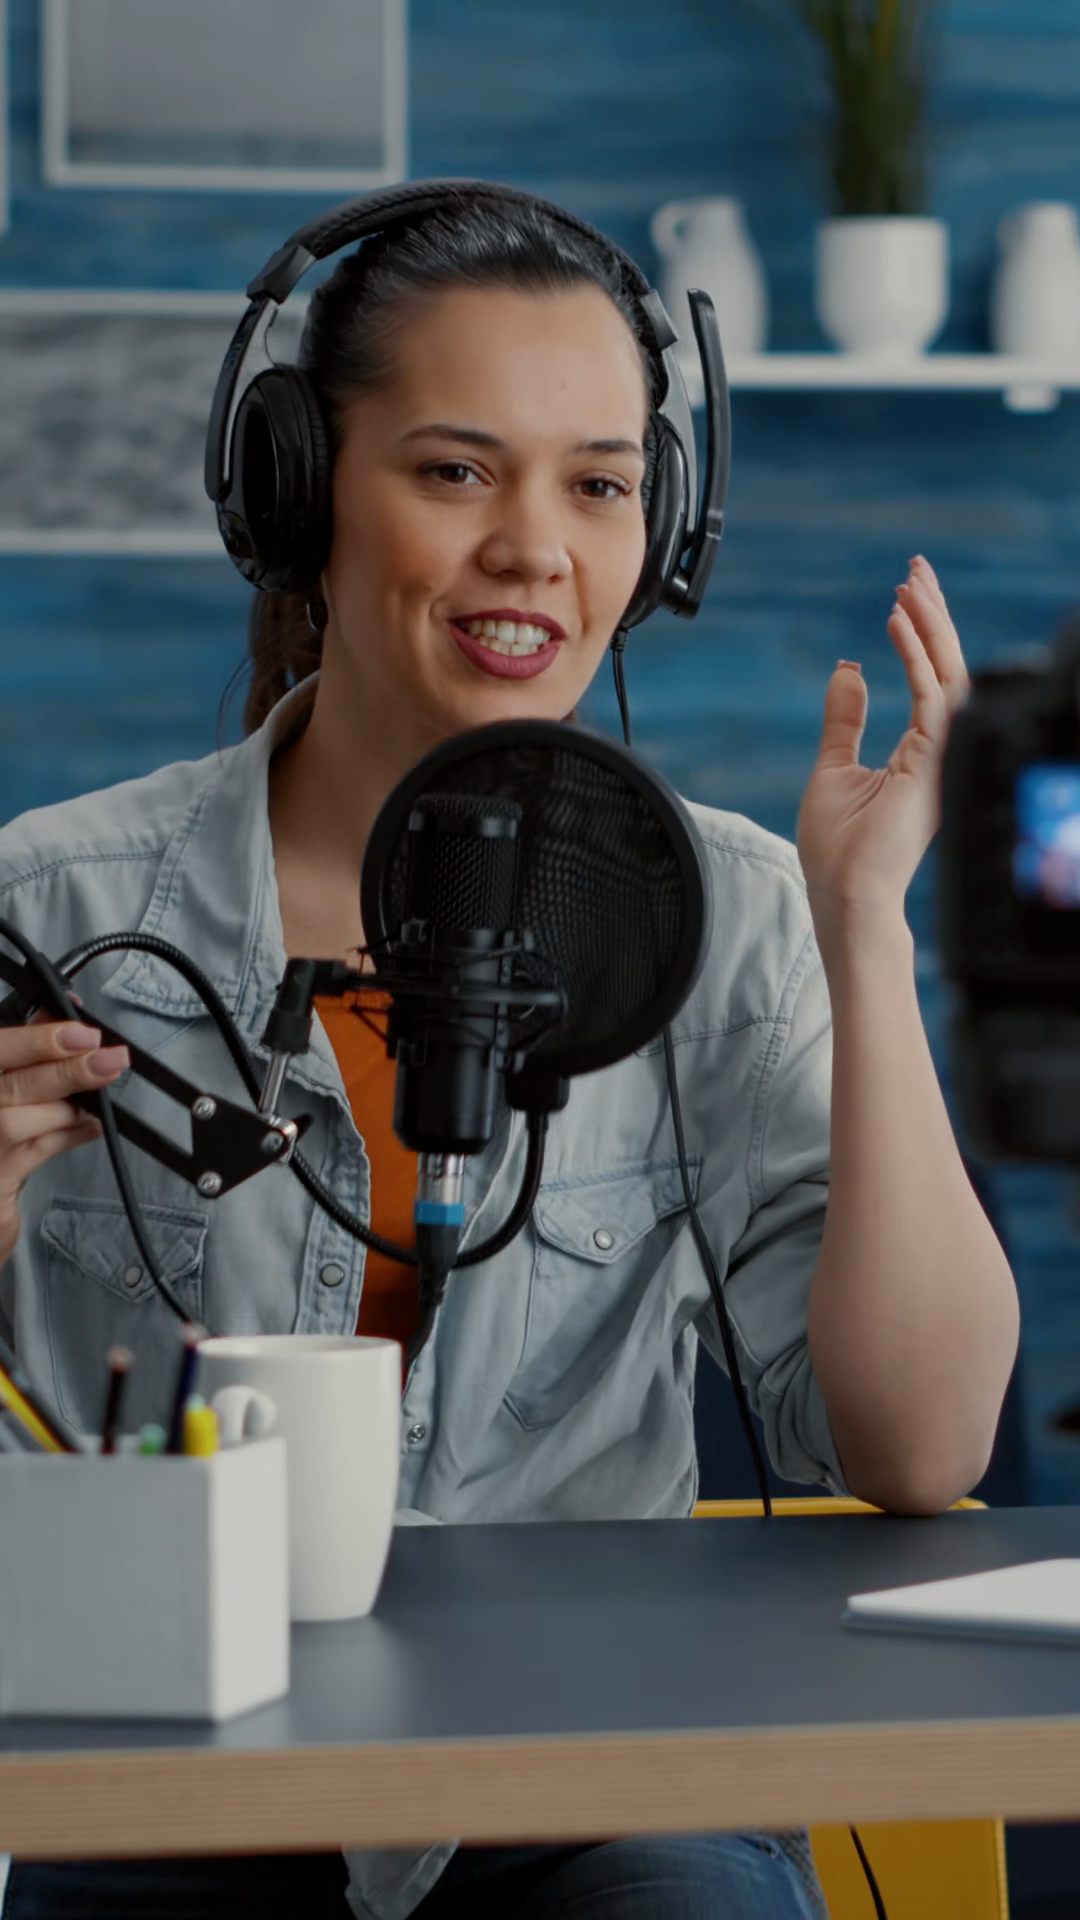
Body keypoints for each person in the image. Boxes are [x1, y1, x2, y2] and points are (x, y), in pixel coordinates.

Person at [0, 187, 1018, 1920]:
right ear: (299, 494)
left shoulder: (740, 919)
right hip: (163, 1794)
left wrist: (862, 928)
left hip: (599, 1798)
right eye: (458, 471)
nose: (537, 548)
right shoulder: (51, 909)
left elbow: (920, 1453)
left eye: (600, 485)